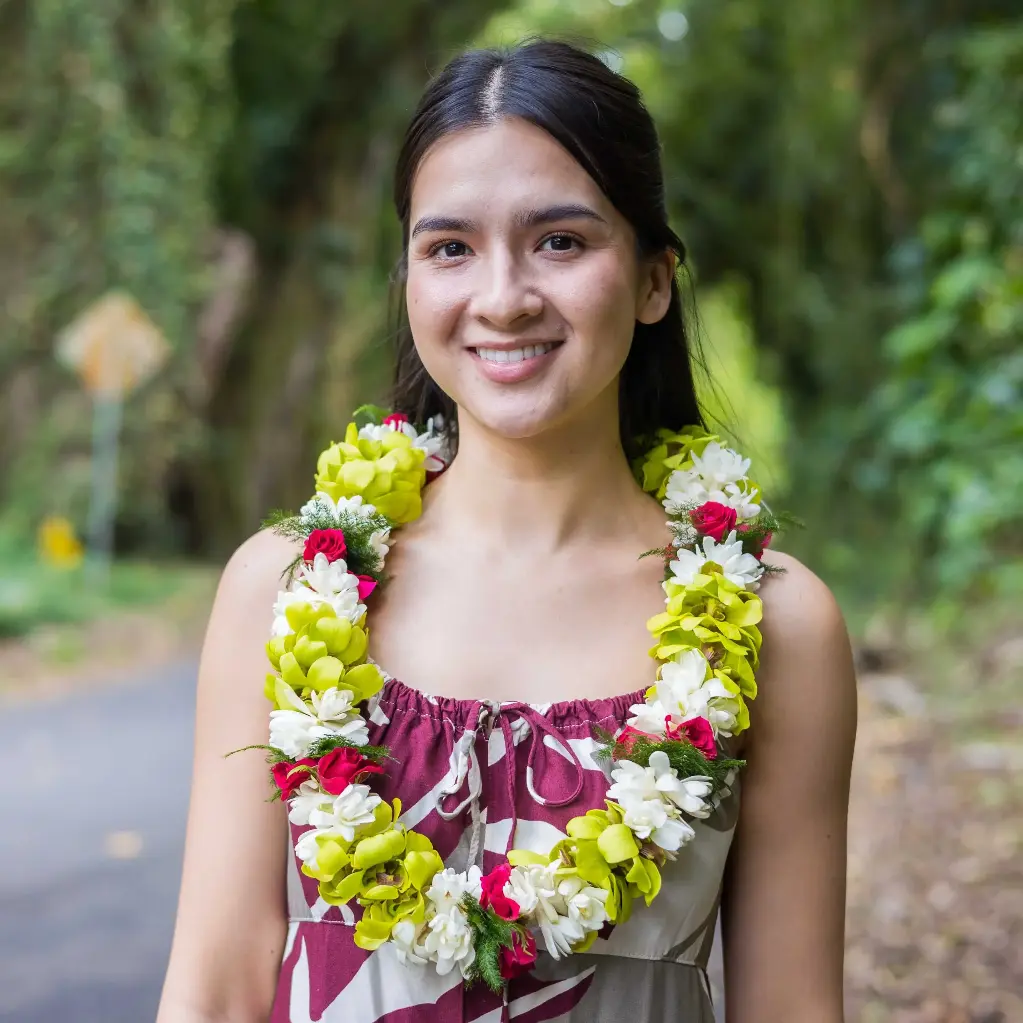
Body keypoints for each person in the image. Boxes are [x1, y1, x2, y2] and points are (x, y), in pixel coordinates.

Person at [158, 39, 856, 1023]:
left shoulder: (778, 627)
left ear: (655, 280)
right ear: (408, 279)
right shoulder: (282, 592)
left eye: (561, 241)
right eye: (451, 247)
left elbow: (791, 1009)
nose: (502, 297)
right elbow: (216, 987)